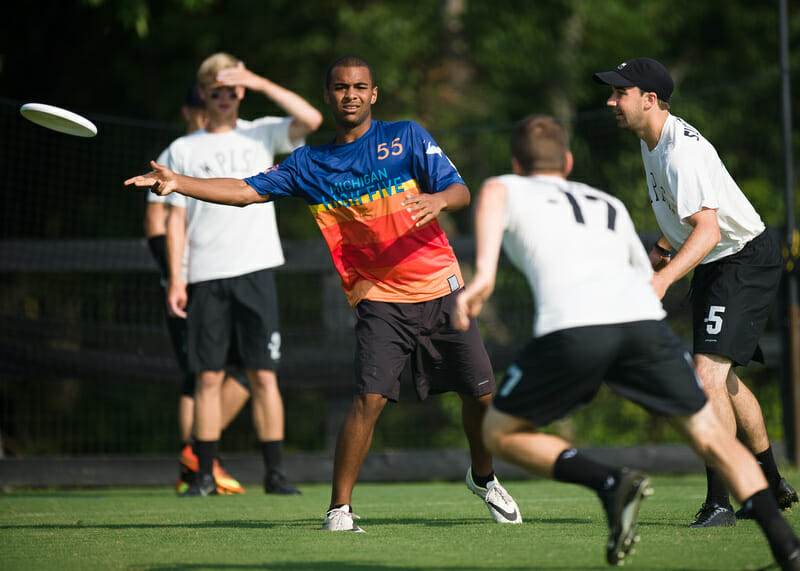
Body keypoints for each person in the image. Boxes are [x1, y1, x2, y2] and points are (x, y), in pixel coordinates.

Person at [125, 55, 521, 531]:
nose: (350, 94)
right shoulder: (310, 163)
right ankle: (339, 509)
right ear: (327, 95)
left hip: (443, 290)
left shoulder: (408, 136)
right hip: (379, 300)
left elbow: (459, 190)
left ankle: (484, 478)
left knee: (480, 397)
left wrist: (436, 199)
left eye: (359, 86)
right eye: (340, 87)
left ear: (373, 94)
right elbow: (246, 189)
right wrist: (179, 182)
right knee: (368, 399)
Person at [453, 114, 800, 569]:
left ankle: (609, 483)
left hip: (574, 327)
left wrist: (483, 278)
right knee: (714, 437)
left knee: (498, 432)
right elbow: (643, 275)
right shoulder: (607, 203)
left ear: (517, 164)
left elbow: (493, 203)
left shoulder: (505, 187)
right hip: (643, 326)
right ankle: (788, 549)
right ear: (569, 161)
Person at [592, 57, 798, 528]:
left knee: (706, 376)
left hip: (740, 258)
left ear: (649, 100)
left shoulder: (677, 152)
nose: (610, 101)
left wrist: (662, 280)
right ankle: (769, 478)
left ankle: (722, 503)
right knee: (721, 378)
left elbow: (705, 230)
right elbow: (683, 224)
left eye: (619, 93)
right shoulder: (653, 141)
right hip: (715, 259)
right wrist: (656, 258)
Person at [160, 52, 323, 497]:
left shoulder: (261, 132)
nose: (225, 97)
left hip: (256, 270)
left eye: (233, 89)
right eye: (216, 90)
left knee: (262, 375)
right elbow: (174, 220)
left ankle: (276, 474)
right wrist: (176, 278)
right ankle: (204, 474)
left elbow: (311, 117)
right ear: (204, 94)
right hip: (205, 275)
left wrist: (260, 79)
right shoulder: (182, 149)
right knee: (208, 377)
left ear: (242, 91)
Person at [143, 84, 250, 495]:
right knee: (198, 376)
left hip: (228, 276)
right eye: (198, 105)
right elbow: (157, 224)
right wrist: (177, 276)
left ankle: (194, 453)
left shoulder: (219, 147)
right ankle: (196, 461)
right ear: (190, 109)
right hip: (190, 284)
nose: (206, 112)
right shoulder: (177, 153)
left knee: (242, 372)